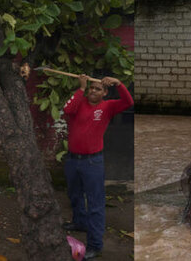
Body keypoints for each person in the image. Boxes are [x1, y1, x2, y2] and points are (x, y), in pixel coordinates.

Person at [62, 74, 133, 259]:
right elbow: (68, 110)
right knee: (75, 194)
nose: (93, 91)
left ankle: (95, 244)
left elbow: (128, 102)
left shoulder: (108, 107)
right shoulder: (80, 102)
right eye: (91, 88)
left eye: (98, 89)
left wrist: (119, 83)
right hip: (72, 160)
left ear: (105, 93)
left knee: (95, 204)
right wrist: (80, 88)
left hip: (92, 162)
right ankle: (79, 223)